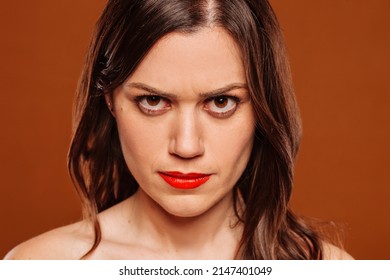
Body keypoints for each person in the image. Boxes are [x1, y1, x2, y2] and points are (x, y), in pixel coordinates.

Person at [5, 0, 352, 260]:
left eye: (221, 102)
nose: (186, 146)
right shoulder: (40, 264)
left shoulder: (331, 269)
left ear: (263, 108)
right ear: (110, 99)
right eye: (153, 100)